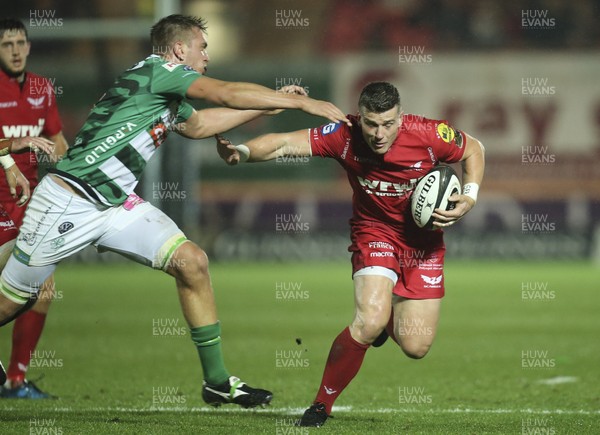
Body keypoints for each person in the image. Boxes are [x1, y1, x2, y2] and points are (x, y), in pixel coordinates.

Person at [0, 13, 350, 409]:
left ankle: (217, 381)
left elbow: (200, 124)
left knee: (191, 262)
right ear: (179, 49)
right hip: (70, 199)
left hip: (115, 203)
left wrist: (269, 109)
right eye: (203, 48)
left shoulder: (164, 90)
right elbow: (224, 92)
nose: (206, 57)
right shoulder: (160, 71)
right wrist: (299, 103)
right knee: (13, 301)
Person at [216, 81, 485, 425]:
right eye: (371, 124)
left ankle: (387, 320)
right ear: (361, 119)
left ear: (400, 118)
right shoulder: (343, 135)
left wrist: (471, 196)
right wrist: (242, 152)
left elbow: (474, 149)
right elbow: (284, 143)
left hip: (423, 245)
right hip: (374, 233)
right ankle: (320, 406)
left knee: (416, 346)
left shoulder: (429, 134)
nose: (378, 133)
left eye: (388, 124)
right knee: (368, 320)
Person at [0, 18, 69, 399]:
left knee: (43, 287)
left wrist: (79, 171)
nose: (14, 49)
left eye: (19, 42)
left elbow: (56, 140)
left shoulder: (43, 87)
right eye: (7, 42)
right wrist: (17, 144)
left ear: (28, 46)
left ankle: (15, 379)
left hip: (29, 201)